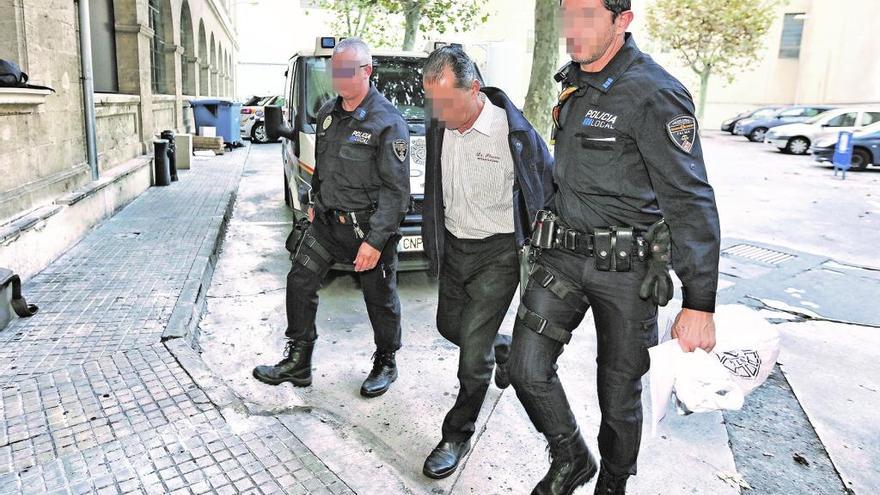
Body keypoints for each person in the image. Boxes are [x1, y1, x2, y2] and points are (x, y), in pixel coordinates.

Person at [507, 1, 722, 493]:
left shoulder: (656, 94)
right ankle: (570, 457)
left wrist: (699, 302)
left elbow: (690, 199)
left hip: (625, 271)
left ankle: (614, 482)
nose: (572, 29)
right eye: (567, 15)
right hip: (561, 256)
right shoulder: (576, 82)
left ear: (622, 20)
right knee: (526, 368)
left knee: (619, 396)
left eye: (586, 15)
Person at [419, 45, 555, 479]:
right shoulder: (440, 125)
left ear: (474, 88)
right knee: (448, 326)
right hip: (455, 247)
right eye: (432, 103)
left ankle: (457, 433)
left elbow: (547, 188)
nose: (438, 114)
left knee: (469, 360)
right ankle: (501, 348)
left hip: (497, 254)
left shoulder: (512, 133)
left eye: (447, 103)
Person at [253, 38, 411, 398]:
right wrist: (314, 200)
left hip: (367, 229)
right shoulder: (327, 114)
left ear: (367, 71)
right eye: (333, 70)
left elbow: (396, 192)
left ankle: (386, 360)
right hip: (327, 223)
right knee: (300, 281)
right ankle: (299, 360)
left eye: (345, 71)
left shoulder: (387, 122)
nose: (337, 79)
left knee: (380, 299)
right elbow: (323, 167)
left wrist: (375, 241)